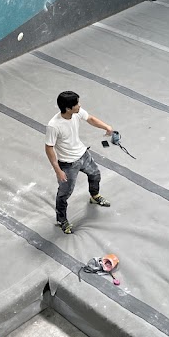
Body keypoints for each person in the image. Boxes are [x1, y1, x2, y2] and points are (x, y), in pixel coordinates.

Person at [45, 90, 113, 234]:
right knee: (64, 193)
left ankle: (94, 196)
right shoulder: (54, 126)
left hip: (83, 154)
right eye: (76, 104)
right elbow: (49, 148)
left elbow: (90, 119)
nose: (80, 105)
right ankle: (62, 220)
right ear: (68, 108)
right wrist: (58, 170)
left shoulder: (77, 112)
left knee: (95, 174)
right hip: (67, 164)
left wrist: (106, 127)